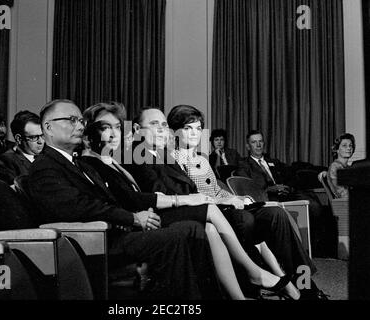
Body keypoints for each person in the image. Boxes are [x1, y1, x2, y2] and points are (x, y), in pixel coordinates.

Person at [82, 102, 299, 300]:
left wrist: (230, 198)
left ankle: (274, 285)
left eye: (163, 124)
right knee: (227, 217)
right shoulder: (136, 155)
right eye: (187, 128)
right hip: (159, 213)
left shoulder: (169, 156)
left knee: (257, 217)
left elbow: (209, 188)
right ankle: (255, 276)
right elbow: (151, 194)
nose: (161, 129)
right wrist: (192, 199)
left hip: (189, 206)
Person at [27, 99, 221, 300]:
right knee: (175, 236)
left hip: (113, 232)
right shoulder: (45, 166)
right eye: (71, 120)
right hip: (93, 242)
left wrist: (137, 215)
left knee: (189, 228)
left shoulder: (78, 164)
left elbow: (111, 200)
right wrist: (133, 218)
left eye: (79, 120)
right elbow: (79, 208)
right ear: (48, 127)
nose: (79, 125)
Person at [129, 106, 328, 300]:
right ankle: (261, 281)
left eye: (198, 128)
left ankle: (306, 284)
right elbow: (193, 194)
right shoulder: (171, 158)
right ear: (175, 132)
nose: (194, 134)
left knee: (277, 215)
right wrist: (229, 201)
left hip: (219, 207)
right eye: (187, 128)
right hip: (209, 211)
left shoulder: (202, 160)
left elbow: (215, 189)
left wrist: (235, 197)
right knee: (247, 220)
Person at [236, 130, 327, 258]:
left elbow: (291, 176)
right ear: (247, 146)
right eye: (254, 142)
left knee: (313, 203)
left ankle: (314, 248)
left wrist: (287, 187)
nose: (258, 145)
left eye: (260, 141)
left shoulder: (274, 161)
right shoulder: (244, 165)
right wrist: (269, 189)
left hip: (286, 194)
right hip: (267, 197)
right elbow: (247, 187)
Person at [0, 111, 45, 185]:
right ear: (19, 139)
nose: (41, 141)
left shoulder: (48, 155)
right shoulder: (5, 162)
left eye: (42, 135)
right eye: (34, 137)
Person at [327, 133, 355, 199]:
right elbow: (343, 194)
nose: (349, 148)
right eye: (344, 146)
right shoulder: (335, 167)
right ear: (337, 150)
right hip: (345, 205)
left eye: (350, 145)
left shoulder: (348, 168)